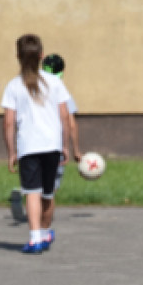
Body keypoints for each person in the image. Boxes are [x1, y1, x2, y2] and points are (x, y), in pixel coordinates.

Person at [1, 34, 72, 254]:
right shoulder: (55, 82)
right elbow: (65, 117)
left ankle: (34, 238)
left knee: (32, 192)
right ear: (42, 55)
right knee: (48, 194)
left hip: (28, 147)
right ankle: (44, 231)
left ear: (17, 57)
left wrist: (11, 151)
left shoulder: (13, 86)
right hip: (52, 146)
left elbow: (9, 122)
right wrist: (65, 146)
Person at [40, 53, 82, 237]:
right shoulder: (61, 90)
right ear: (62, 71)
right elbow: (70, 122)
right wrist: (75, 149)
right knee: (50, 189)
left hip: (33, 144)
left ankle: (31, 204)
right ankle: (44, 227)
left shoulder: (31, 87)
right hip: (55, 146)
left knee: (35, 185)